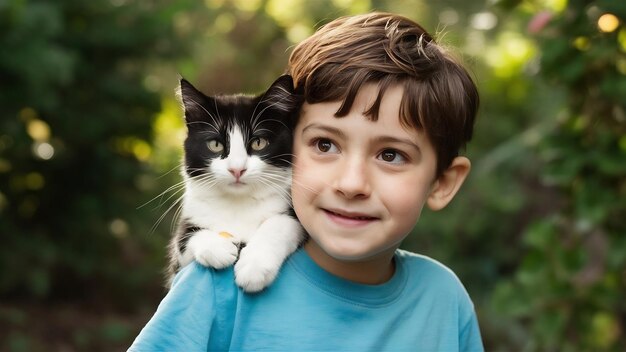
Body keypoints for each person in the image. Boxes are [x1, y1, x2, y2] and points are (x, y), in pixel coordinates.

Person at [129, 12, 483, 351]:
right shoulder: (215, 284)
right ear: (289, 148)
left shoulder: (445, 300)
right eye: (325, 145)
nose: (351, 183)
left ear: (442, 182)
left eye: (390, 155)